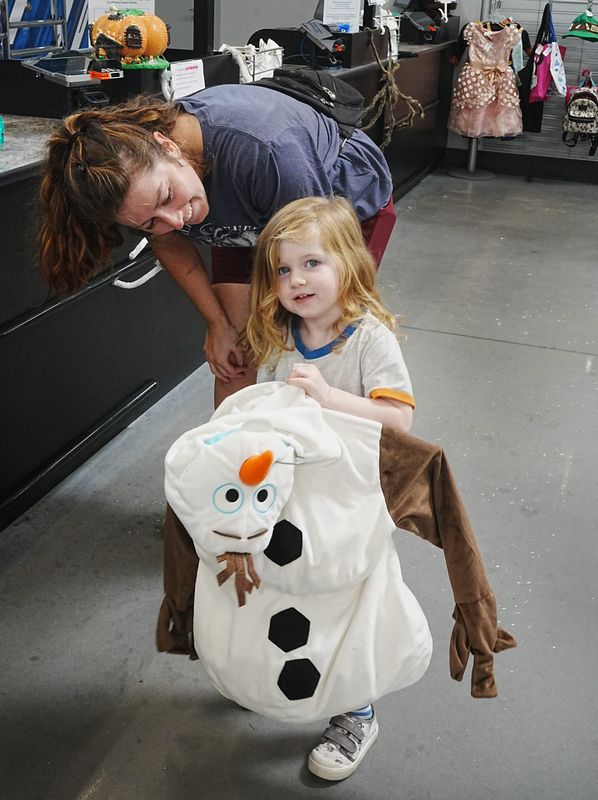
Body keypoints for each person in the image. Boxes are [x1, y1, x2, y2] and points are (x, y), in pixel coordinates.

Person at [38, 85, 396, 406]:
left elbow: (309, 255)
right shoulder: (138, 189)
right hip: (243, 214)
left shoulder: (265, 149)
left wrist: (285, 334)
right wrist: (218, 325)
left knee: (319, 349)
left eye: (167, 196)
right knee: (238, 352)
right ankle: (232, 468)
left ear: (167, 145)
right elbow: (169, 243)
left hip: (331, 210)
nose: (175, 222)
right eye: (150, 222)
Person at [243, 195, 415, 780]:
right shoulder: (278, 336)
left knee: (349, 605)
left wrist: (328, 396)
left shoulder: (369, 340)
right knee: (292, 596)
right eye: (283, 270)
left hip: (354, 503)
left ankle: (356, 709)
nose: (296, 281)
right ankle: (286, 672)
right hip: (294, 501)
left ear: (349, 263)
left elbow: (399, 422)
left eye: (312, 263)